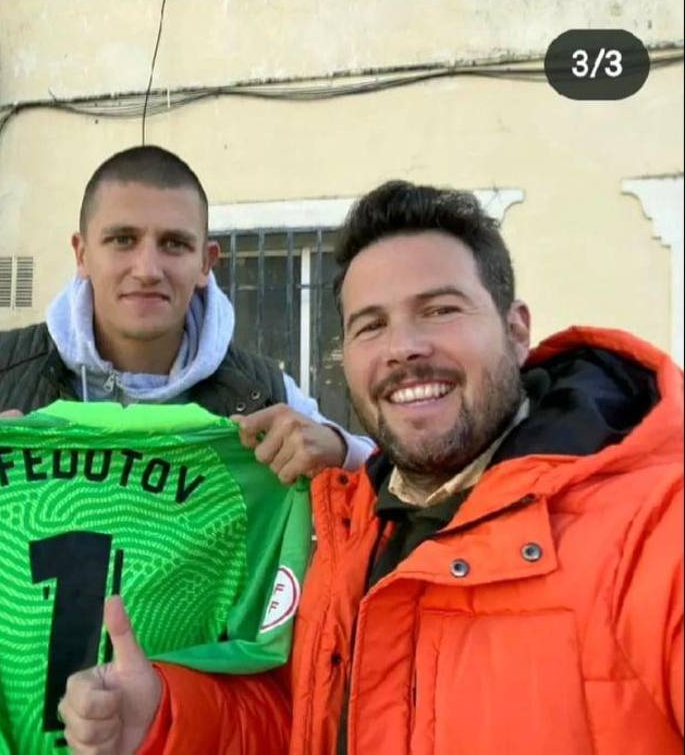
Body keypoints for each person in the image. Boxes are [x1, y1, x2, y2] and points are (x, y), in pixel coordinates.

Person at [61, 179, 684, 755]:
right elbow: (301, 720)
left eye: (440, 310)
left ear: (516, 330)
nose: (403, 348)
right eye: (371, 325)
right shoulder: (347, 535)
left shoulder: (655, 530)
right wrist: (164, 718)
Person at [0, 144, 374, 751]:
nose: (148, 267)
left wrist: (337, 448)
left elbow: (374, 479)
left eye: (174, 244)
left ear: (208, 262)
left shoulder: (260, 391)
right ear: (82, 253)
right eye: (122, 239)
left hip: (170, 735)